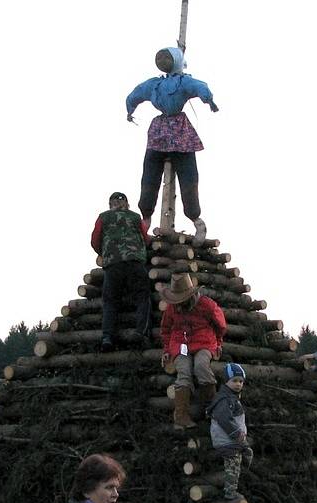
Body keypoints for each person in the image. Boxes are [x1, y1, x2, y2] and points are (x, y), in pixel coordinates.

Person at [126, 46, 219, 246]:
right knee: (158, 175)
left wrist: (208, 99)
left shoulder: (166, 84)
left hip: (170, 132)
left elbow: (134, 95)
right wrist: (208, 99)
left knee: (184, 177)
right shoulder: (166, 84)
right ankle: (149, 217)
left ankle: (193, 218)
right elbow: (199, 86)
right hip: (170, 131)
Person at [160, 272, 226, 430]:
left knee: (202, 366)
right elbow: (166, 329)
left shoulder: (207, 305)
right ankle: (181, 416)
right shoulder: (171, 309)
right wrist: (167, 349)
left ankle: (212, 411)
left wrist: (218, 344)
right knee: (184, 371)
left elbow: (221, 327)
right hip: (180, 344)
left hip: (204, 342)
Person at [91, 191, 151, 352]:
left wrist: (104, 253)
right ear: (127, 204)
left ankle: (107, 337)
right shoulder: (135, 217)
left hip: (113, 265)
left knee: (110, 301)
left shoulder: (103, 217)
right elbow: (146, 239)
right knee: (142, 297)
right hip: (135, 262)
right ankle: (141, 333)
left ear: (110, 204)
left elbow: (95, 240)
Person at [206, 363, 253, 501]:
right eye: (234, 381)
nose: (238, 384)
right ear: (226, 381)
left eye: (241, 381)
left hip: (233, 439)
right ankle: (230, 492)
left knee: (247, 453)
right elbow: (224, 418)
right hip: (227, 440)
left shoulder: (232, 397)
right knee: (233, 464)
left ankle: (240, 481)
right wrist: (237, 432)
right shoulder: (225, 399)